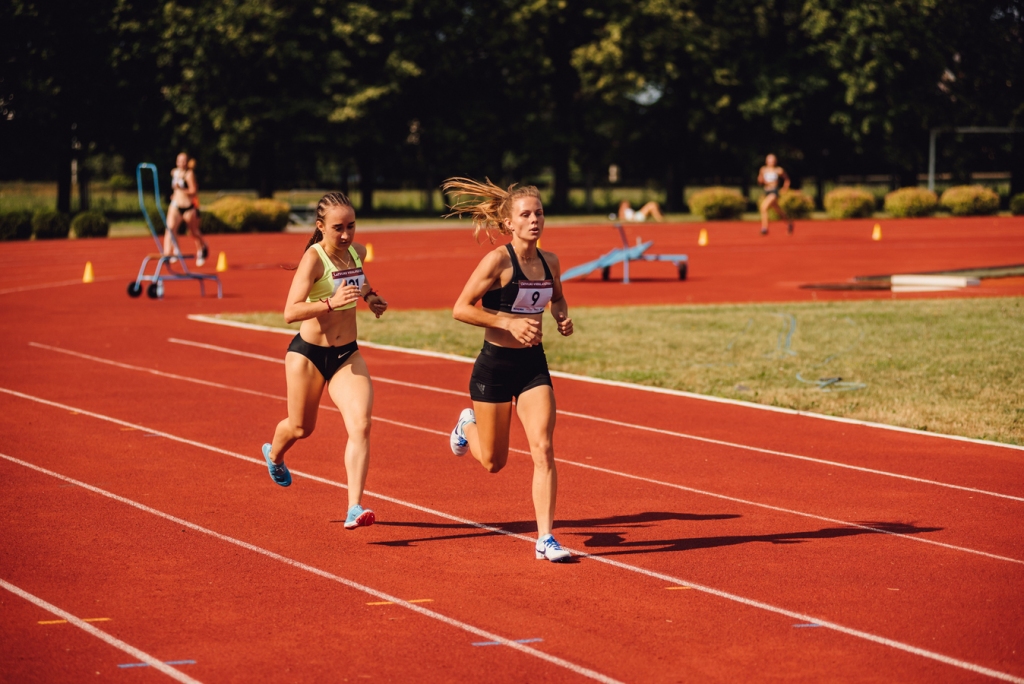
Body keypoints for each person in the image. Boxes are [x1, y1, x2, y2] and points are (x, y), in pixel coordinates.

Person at [443, 177, 574, 563]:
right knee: (493, 463)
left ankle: (545, 538)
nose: (535, 220)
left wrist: (563, 318)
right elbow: (461, 308)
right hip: (495, 366)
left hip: (533, 365)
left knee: (544, 447)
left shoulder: (550, 262)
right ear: (509, 224)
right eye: (526, 214)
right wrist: (507, 321)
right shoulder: (498, 261)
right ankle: (466, 425)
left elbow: (559, 299)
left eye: (539, 213)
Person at [261, 191, 388, 530]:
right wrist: (330, 303)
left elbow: (357, 280)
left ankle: (354, 506)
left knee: (361, 424)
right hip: (308, 354)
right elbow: (290, 311)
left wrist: (371, 296)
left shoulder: (356, 252)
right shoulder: (314, 260)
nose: (346, 235)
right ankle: (274, 455)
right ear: (320, 227)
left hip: (348, 353)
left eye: (351, 226)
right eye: (337, 228)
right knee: (302, 427)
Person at [164, 152, 210, 266]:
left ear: (187, 162)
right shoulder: (174, 172)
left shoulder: (189, 174)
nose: (181, 163)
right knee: (170, 229)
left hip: (188, 207)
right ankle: (169, 254)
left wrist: (181, 189)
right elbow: (174, 188)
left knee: (193, 232)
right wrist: (174, 194)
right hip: (175, 205)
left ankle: (202, 248)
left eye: (184, 161)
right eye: (179, 160)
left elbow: (193, 191)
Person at [757, 154, 793, 236]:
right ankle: (789, 223)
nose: (771, 162)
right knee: (778, 211)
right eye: (769, 160)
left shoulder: (778, 170)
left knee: (763, 207)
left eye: (773, 160)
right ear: (766, 161)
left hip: (774, 192)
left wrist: (784, 188)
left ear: (775, 161)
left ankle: (764, 228)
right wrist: (761, 180)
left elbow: (787, 179)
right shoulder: (763, 169)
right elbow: (760, 181)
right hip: (767, 192)